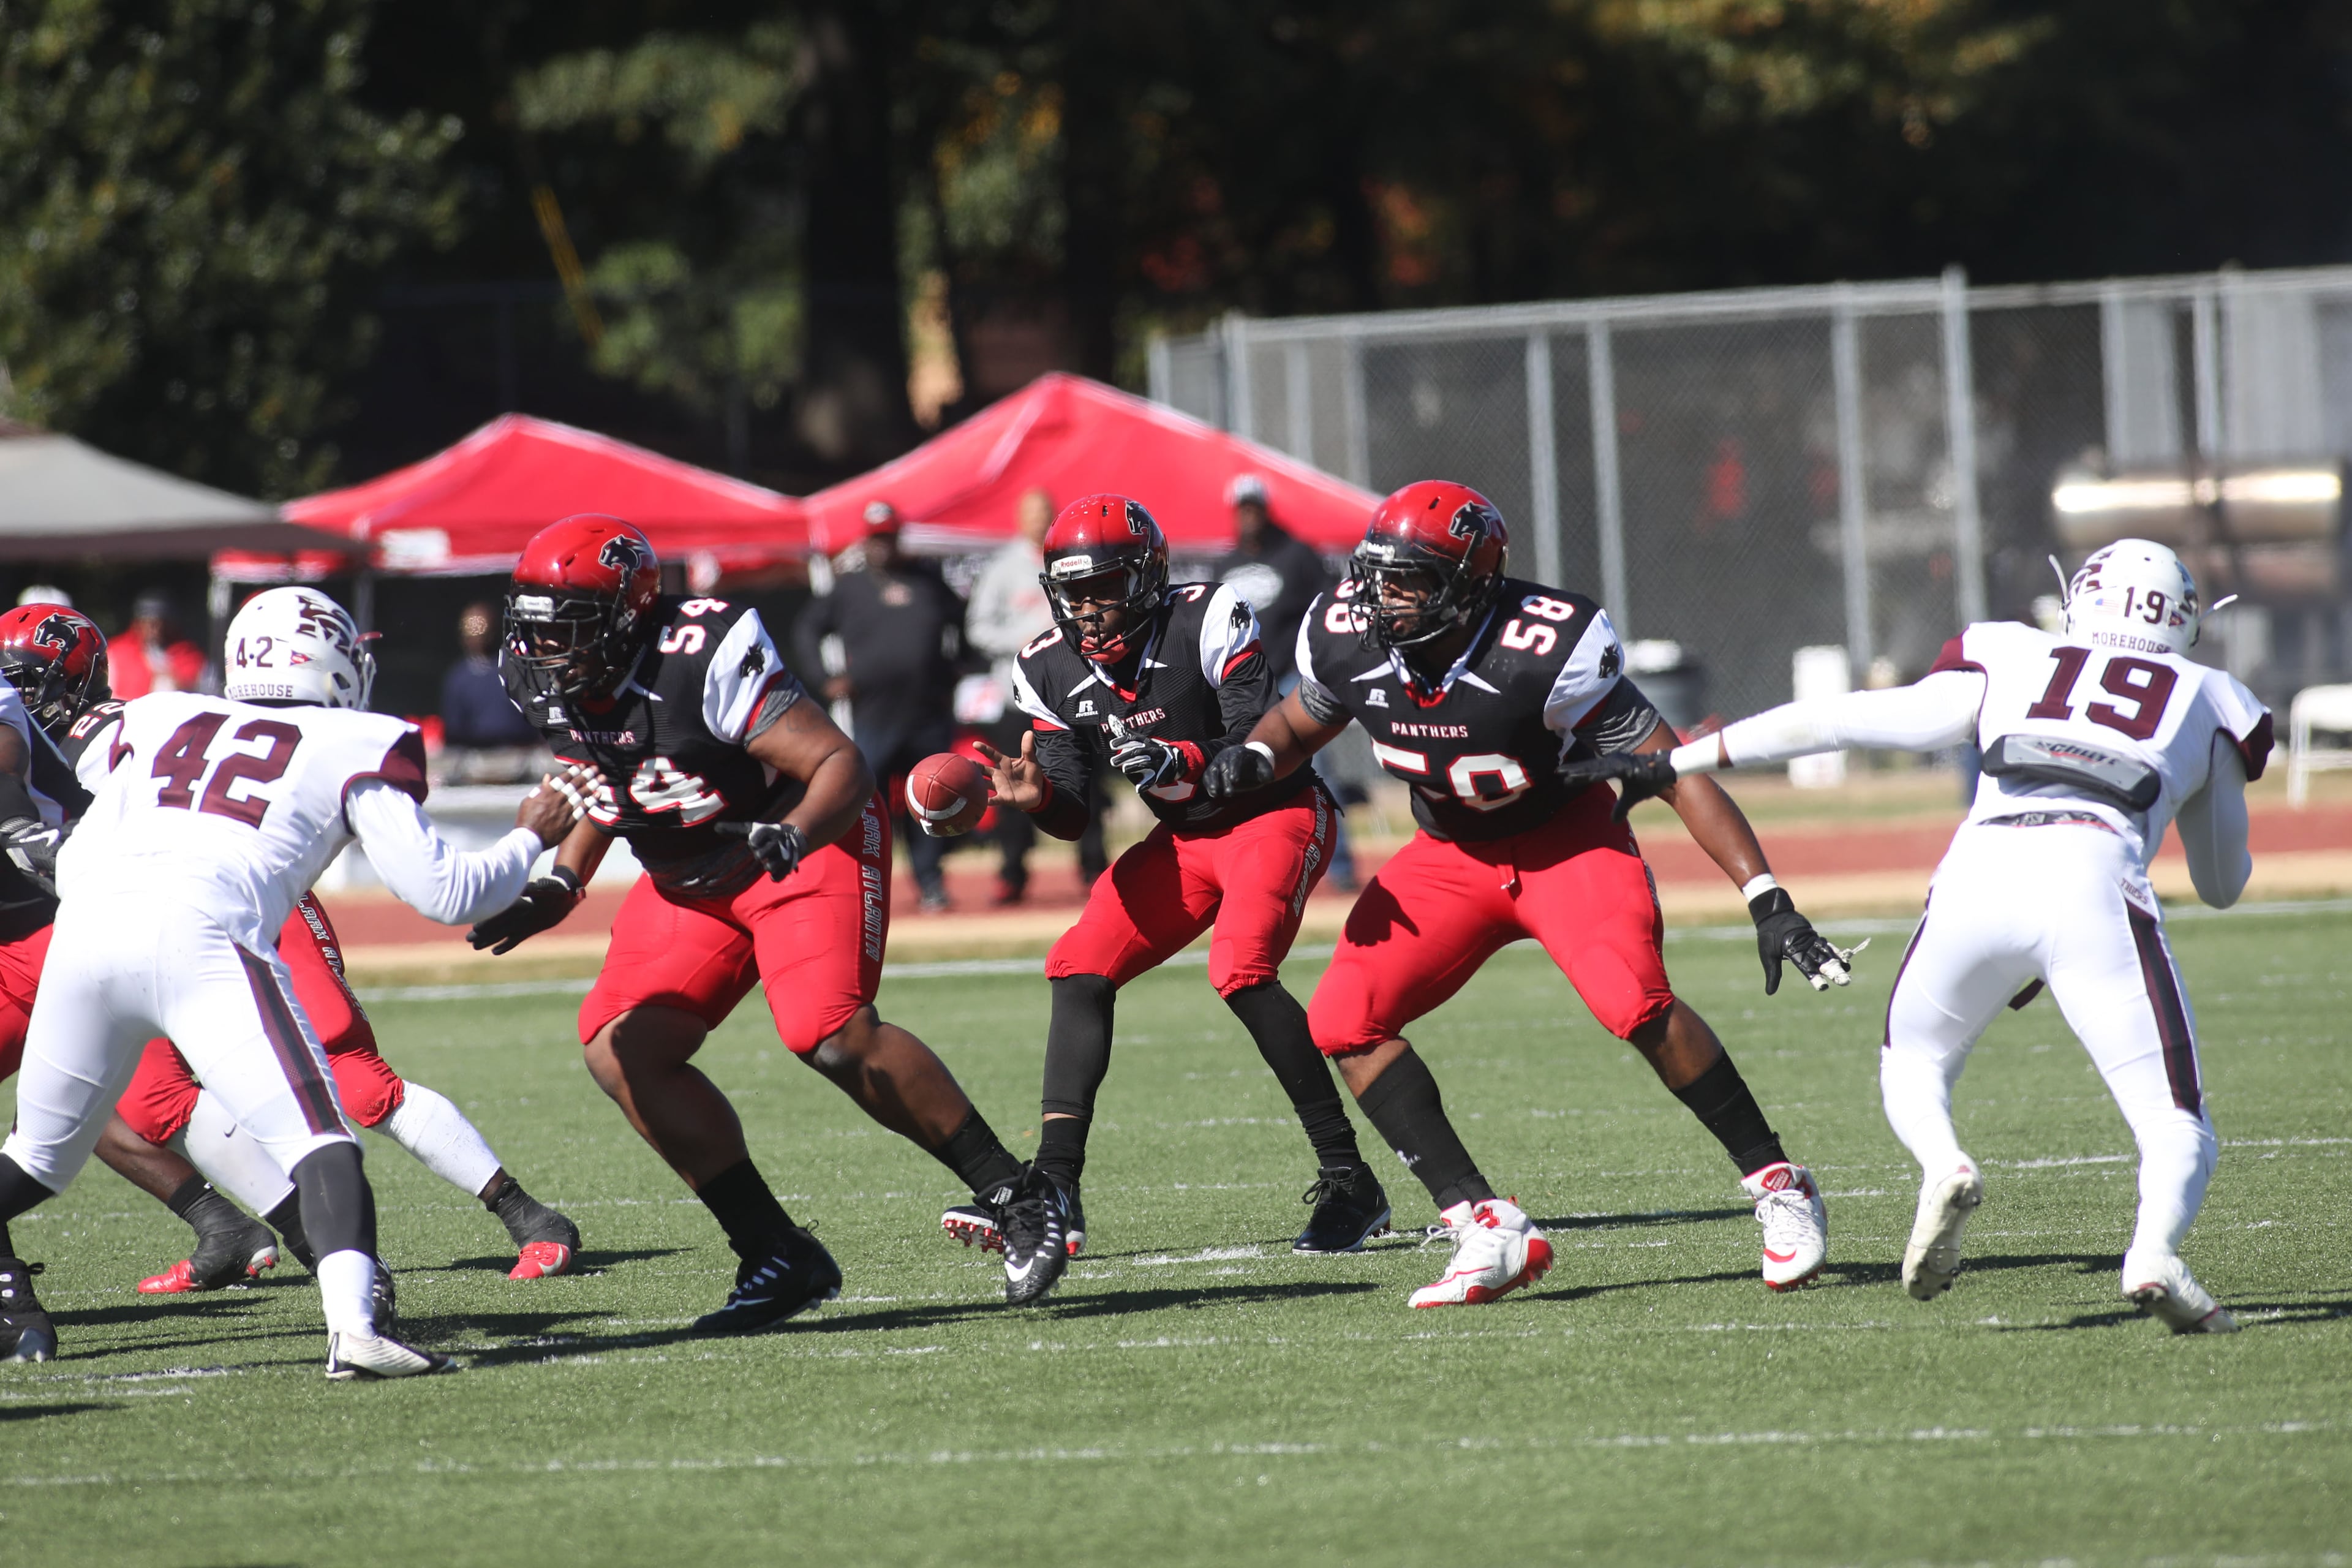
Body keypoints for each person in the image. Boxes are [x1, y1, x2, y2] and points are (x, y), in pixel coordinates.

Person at [1565, 540, 2268, 1333]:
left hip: (1981, 870)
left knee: (1915, 1059)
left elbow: (1840, 721)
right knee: (2174, 1120)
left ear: (2082, 602)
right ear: (2184, 621)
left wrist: (1680, 760)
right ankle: (2153, 1252)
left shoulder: (2014, 651)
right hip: (2096, 878)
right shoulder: (2214, 696)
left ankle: (1946, 1163)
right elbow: (2220, 883)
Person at [1207, 481, 1852, 1308]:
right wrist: (1256, 759)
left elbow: (1673, 770)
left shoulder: (1543, 645)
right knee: (1344, 1021)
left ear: (1470, 583)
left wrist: (1766, 895)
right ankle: (1485, 1224)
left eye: (1409, 579)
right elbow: (1301, 722)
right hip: (1448, 858)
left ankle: (1780, 1184)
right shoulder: (1346, 634)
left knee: (1636, 1005)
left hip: (1565, 846)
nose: (1380, 597)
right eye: (1377, 574)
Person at [470, 514, 1054, 1322]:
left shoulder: (700, 654)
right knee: (619, 1047)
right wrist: (564, 881)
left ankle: (1019, 1195)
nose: (543, 650)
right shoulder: (544, 675)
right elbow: (607, 771)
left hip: (797, 836)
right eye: (535, 628)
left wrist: (793, 837)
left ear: (624, 619)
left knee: (830, 1033)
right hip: (690, 875)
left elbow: (838, 763)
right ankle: (776, 1255)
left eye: (565, 630)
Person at [0, 586, 591, 1374]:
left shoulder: (158, 713)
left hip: (86, 927)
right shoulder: (363, 739)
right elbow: (447, 894)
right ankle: (356, 1331)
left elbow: (73, 818)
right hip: (207, 932)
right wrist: (527, 841)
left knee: (36, 1160)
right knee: (321, 1144)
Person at [939, 495, 1385, 1299]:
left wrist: (1182, 754)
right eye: (1072, 592)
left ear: (1145, 577)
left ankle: (1350, 1178)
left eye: (1102, 587)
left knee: (1241, 969)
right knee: (1078, 964)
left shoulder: (1210, 616)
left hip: (1272, 813)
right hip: (1183, 841)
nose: (1086, 610)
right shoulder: (1045, 662)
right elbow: (1074, 812)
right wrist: (1038, 794)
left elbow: (1264, 738)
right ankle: (1057, 1185)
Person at [0, 603, 282, 1294]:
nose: (24, 691)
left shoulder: (124, 729)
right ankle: (224, 1225)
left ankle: (332, 1238)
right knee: (89, 1109)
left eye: (31, 678)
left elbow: (31, 823)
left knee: (156, 1103)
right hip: (31, 935)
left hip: (95, 922)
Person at [795, 502, 965, 910]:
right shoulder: (849, 586)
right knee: (865, 804)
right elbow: (807, 630)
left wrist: (954, 671)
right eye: (876, 537)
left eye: (889, 536)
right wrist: (824, 679)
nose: (884, 545)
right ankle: (861, 888)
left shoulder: (927, 580)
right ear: (866, 540)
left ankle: (931, 885)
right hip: (874, 716)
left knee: (930, 802)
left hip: (926, 713)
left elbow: (961, 625)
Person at [1221, 472, 1360, 888]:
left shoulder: (1297, 555)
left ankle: (1341, 869)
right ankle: (1250, 873)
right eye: (1242, 508)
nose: (1249, 515)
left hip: (1292, 676)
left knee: (1319, 769)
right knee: (1240, 768)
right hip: (1246, 683)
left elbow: (1331, 606)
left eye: (1255, 507)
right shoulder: (1226, 563)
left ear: (1266, 509)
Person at [963, 488, 1061, 903]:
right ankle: (1012, 873)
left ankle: (1096, 869)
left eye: (1046, 512)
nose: (1040, 520)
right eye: (1032, 512)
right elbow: (978, 629)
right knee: (1013, 781)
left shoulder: (1069, 558)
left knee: (1084, 781)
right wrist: (1020, 640)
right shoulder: (1003, 568)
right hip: (1018, 695)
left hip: (1070, 694)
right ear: (1020, 518)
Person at [440, 600, 544, 780]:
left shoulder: (515, 668)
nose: (478, 637)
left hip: (521, 757)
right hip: (473, 760)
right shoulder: (459, 676)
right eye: (471, 632)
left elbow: (535, 715)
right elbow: (454, 730)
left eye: (483, 630)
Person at [107, 590, 206, 699]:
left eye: (160, 623)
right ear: (138, 623)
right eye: (149, 623)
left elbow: (201, 689)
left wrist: (174, 680)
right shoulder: (116, 652)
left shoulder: (187, 654)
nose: (155, 630)